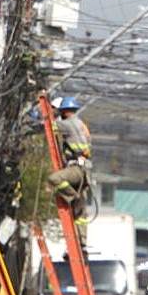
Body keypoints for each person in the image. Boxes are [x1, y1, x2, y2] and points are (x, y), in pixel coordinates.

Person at [48, 97, 93, 239]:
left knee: (54, 179)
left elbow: (50, 127)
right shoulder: (81, 124)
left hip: (76, 170)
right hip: (85, 171)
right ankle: (83, 241)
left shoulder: (68, 124)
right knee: (80, 212)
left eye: (61, 111)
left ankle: (73, 196)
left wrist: (48, 113)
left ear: (66, 111)